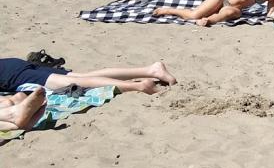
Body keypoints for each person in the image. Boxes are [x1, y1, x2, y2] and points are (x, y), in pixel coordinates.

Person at [1, 57, 176, 96]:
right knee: (81, 76)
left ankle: (138, 86)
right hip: (12, 64)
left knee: (76, 82)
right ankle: (151, 70)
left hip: (10, 75)